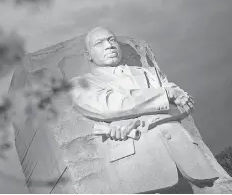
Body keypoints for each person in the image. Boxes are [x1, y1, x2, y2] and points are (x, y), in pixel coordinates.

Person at [70, 26, 232, 193]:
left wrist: (129, 119)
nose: (109, 45)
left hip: (188, 158)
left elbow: (185, 105)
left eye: (112, 39)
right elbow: (109, 106)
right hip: (139, 163)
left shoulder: (151, 73)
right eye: (99, 42)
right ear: (87, 55)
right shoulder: (81, 84)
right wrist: (165, 94)